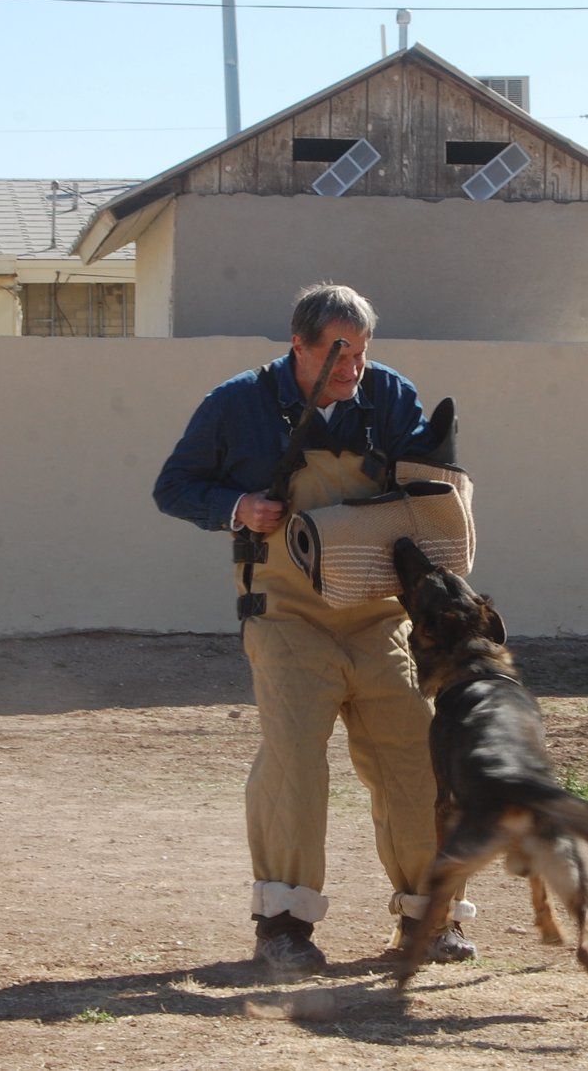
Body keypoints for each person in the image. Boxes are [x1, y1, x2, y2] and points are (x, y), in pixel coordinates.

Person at [154, 284, 476, 976]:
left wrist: (439, 467)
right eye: (337, 353)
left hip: (378, 612)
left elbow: (425, 490)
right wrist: (237, 505)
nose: (352, 368)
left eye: (361, 352)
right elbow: (174, 486)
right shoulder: (235, 404)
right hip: (285, 612)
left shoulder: (390, 396)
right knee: (295, 759)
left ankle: (431, 919)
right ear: (297, 344)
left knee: (415, 758)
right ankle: (283, 926)